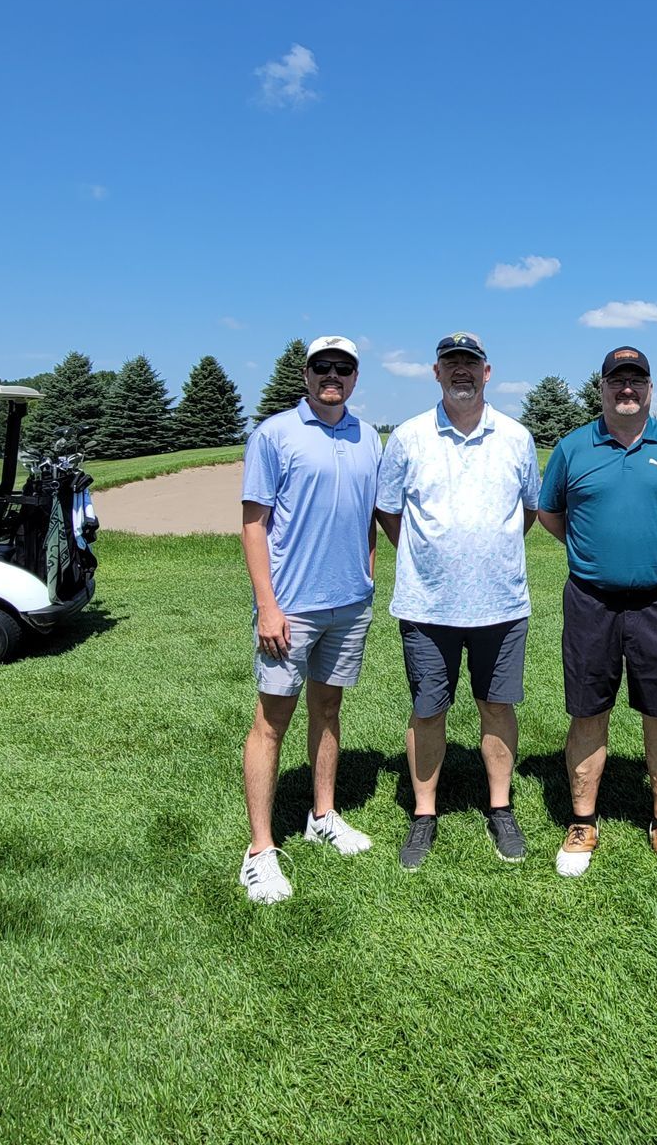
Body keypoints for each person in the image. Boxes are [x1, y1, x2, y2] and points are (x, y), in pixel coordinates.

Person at [536, 347, 657, 879]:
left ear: (651, 387)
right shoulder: (572, 448)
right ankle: (583, 820)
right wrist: (594, 552)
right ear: (602, 388)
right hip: (590, 600)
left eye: (636, 380)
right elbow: (551, 512)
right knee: (588, 709)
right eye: (617, 381)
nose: (627, 390)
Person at [375, 332, 541, 871]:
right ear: (437, 372)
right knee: (429, 710)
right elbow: (389, 511)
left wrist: (486, 553)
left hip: (501, 604)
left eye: (471, 363)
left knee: (498, 706)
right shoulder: (408, 437)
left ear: (487, 373)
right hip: (427, 607)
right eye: (452, 363)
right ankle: (424, 815)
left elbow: (530, 512)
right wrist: (428, 557)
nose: (462, 371)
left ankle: (500, 807)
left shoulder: (516, 437)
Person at [237, 336, 384, 904]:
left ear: (354, 377)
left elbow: (370, 514)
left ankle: (322, 815)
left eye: (343, 369)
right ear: (306, 374)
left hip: (349, 604)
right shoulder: (274, 434)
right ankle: (260, 850)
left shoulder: (368, 436)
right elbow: (254, 525)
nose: (332, 376)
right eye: (322, 367)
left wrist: (368, 573)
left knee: (328, 708)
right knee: (271, 720)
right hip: (291, 607)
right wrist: (268, 606)